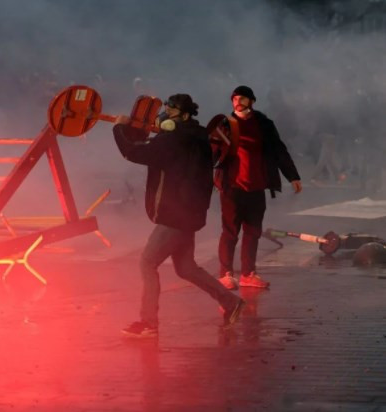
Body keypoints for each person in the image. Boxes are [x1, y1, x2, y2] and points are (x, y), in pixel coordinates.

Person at [114, 93, 245, 338]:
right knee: (186, 268)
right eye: (166, 108)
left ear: (184, 116)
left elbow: (133, 153)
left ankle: (148, 323)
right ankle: (231, 303)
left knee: (147, 263)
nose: (166, 113)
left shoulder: (175, 140)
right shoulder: (196, 137)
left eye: (172, 110)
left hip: (174, 215)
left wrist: (119, 128)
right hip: (190, 214)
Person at [215, 86, 302, 290]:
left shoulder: (263, 124)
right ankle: (226, 273)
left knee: (253, 232)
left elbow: (279, 149)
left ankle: (248, 273)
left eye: (242, 98)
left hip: (256, 186)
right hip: (231, 187)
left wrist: (292, 176)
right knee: (230, 232)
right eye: (235, 99)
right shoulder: (224, 124)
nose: (238, 102)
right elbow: (211, 152)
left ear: (252, 101)